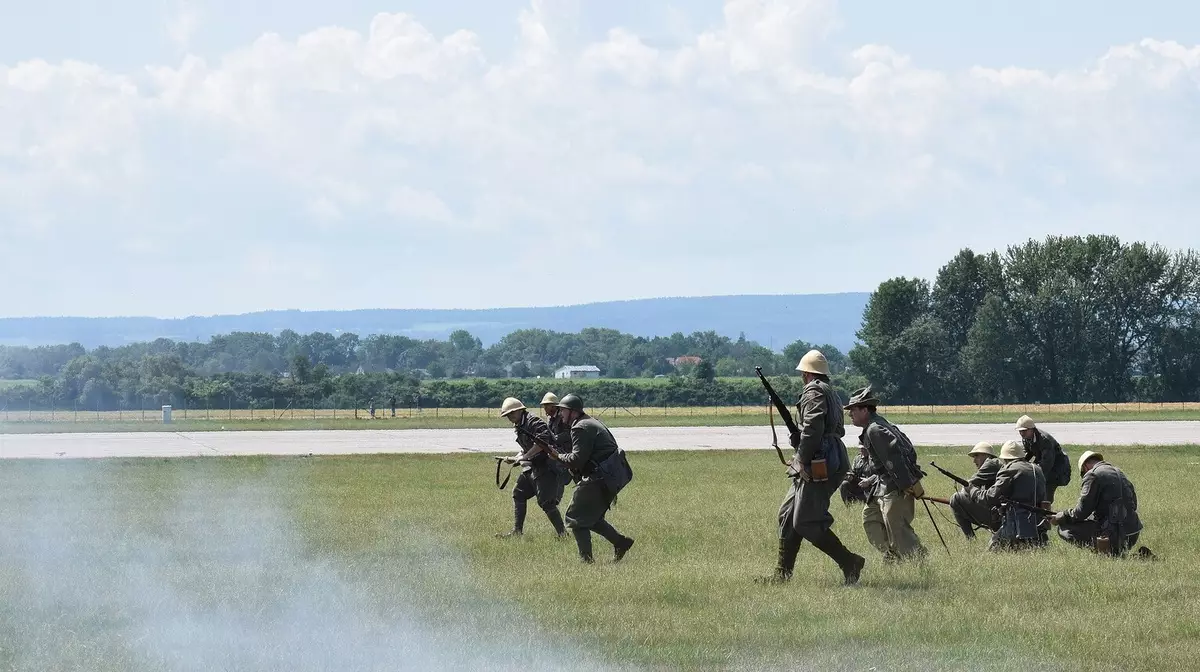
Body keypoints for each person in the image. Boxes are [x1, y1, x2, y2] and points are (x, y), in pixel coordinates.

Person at [759, 349, 863, 586]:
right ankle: (782, 574)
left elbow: (814, 426)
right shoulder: (830, 392)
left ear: (806, 373)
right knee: (788, 514)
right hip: (825, 454)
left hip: (820, 459)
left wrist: (802, 459)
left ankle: (849, 562)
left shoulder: (814, 390)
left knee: (806, 520)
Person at [845, 385, 927, 563]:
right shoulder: (875, 426)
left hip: (894, 486)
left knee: (897, 528)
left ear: (865, 409)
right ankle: (892, 555)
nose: (850, 414)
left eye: (853, 410)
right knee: (870, 519)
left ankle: (919, 561)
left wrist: (906, 486)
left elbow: (894, 460)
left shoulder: (875, 429)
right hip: (881, 484)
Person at [550, 394, 634, 563]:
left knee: (575, 518)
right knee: (591, 518)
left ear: (572, 412)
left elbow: (577, 460)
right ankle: (621, 543)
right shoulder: (591, 422)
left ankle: (586, 561)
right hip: (609, 477)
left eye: (563, 411)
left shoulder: (580, 428)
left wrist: (557, 456)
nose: (560, 414)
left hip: (599, 478)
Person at [1050, 451, 1149, 558]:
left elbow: (1081, 512)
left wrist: (1062, 516)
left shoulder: (1092, 474)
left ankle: (1105, 553)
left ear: (1085, 467)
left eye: (1083, 473)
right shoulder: (1120, 473)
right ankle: (1130, 556)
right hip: (1133, 533)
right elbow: (1133, 504)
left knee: (1064, 529)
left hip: (1112, 534)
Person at [495, 397, 568, 539]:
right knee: (519, 493)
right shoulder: (520, 424)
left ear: (520, 410)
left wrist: (525, 457)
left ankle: (563, 534)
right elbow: (526, 448)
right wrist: (515, 458)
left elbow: (542, 442)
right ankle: (517, 531)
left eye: (511, 414)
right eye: (507, 415)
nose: (510, 417)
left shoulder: (534, 422)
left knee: (546, 503)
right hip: (535, 465)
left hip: (548, 466)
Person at [984, 440, 1048, 551]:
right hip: (1039, 525)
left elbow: (991, 497)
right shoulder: (1037, 469)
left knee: (991, 549)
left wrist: (972, 491)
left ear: (1006, 459)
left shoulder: (1010, 470)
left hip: (1017, 525)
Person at [841, 440, 888, 555]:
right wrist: (850, 477)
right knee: (844, 485)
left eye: (864, 448)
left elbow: (880, 474)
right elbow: (853, 472)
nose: (861, 450)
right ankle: (849, 506)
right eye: (860, 448)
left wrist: (869, 480)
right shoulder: (857, 458)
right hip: (860, 486)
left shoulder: (875, 459)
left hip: (873, 488)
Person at [948, 442, 1002, 539]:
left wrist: (964, 496)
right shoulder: (996, 464)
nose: (974, 460)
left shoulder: (990, 463)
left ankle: (970, 539)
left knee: (956, 498)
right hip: (1001, 513)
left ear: (986, 455)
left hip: (999, 516)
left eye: (976, 456)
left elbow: (969, 485)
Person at [1016, 415, 1070, 504]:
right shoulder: (1026, 438)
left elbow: (1046, 464)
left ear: (1032, 429)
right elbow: (1027, 453)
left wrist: (1033, 474)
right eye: (1020, 431)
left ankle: (1046, 514)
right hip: (1044, 463)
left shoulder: (1045, 440)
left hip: (1057, 468)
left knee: (1045, 494)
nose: (1022, 433)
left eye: (1024, 431)